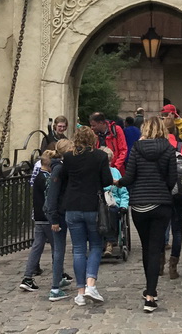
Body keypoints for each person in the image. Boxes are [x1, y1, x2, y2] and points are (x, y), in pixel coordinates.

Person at [115, 116, 177, 313]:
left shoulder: (137, 148)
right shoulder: (168, 148)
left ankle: (150, 290)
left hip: (140, 204)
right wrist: (162, 190)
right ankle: (151, 294)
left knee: (146, 248)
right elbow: (172, 178)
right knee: (156, 248)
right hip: (160, 204)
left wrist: (119, 182)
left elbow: (130, 176)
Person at [57, 125, 113, 306]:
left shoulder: (68, 157)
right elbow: (106, 181)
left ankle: (80, 292)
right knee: (96, 245)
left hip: (72, 206)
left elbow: (64, 179)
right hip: (93, 206)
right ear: (92, 140)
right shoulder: (100, 156)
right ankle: (91, 284)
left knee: (78, 249)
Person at [43, 138, 76, 301]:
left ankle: (58, 280)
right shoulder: (59, 169)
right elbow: (53, 195)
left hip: (60, 212)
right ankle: (55, 288)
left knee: (60, 249)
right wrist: (54, 218)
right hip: (57, 214)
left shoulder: (60, 167)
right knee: (59, 249)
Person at [163, 117, 182, 280]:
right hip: (179, 193)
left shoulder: (159, 147)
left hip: (162, 192)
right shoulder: (181, 146)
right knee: (177, 230)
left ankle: (159, 264)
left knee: (160, 229)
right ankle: (173, 265)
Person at [100, 147, 129, 257]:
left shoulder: (115, 172)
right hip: (99, 201)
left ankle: (109, 242)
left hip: (113, 202)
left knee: (111, 211)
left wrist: (123, 205)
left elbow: (124, 192)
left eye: (109, 160)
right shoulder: (95, 173)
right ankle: (101, 241)